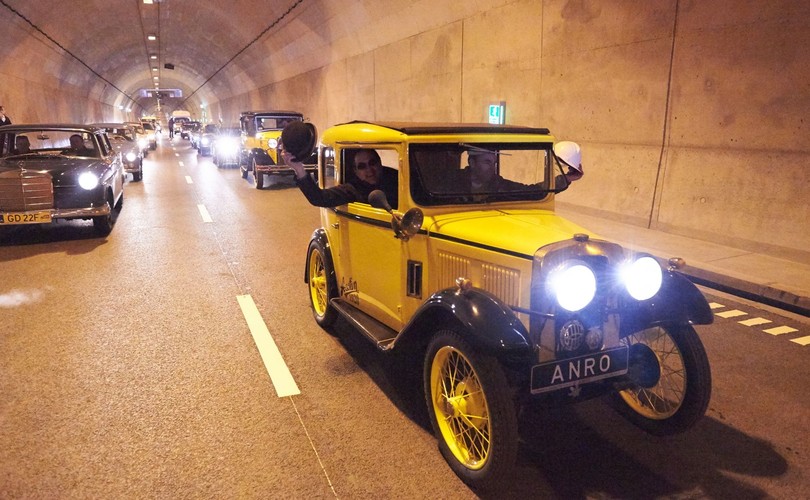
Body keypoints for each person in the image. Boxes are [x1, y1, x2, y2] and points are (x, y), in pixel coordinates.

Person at [283, 148, 398, 208]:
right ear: (356, 171)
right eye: (362, 166)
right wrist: (299, 169)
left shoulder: (395, 177)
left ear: (380, 162)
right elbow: (319, 198)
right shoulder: (353, 189)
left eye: (372, 163)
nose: (369, 170)